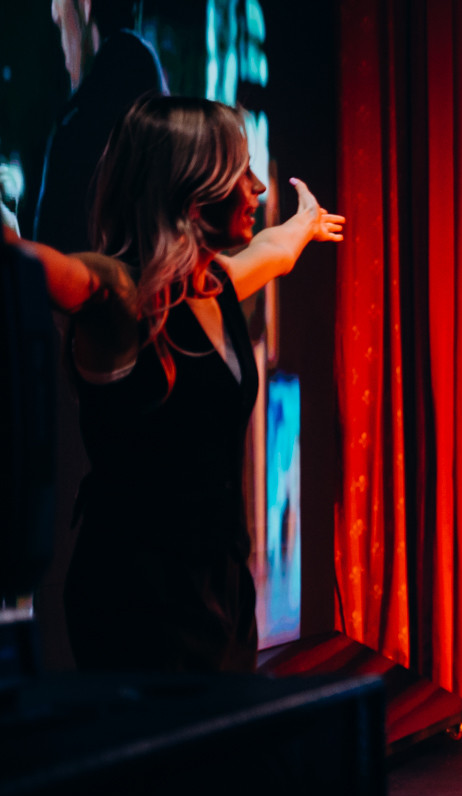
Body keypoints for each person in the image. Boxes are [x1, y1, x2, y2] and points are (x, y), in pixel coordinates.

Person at [3, 96, 344, 672]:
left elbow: (275, 251)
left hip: (221, 586)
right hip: (137, 599)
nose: (259, 188)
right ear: (193, 190)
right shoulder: (119, 295)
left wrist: (303, 224)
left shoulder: (215, 286)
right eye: (241, 172)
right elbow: (31, 264)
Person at [35, 0, 167, 251]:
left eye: (59, 4)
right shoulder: (127, 64)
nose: (54, 14)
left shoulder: (122, 68)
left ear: (85, 5)